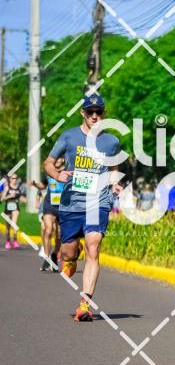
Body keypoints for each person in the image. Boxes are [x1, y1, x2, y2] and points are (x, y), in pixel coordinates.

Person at [44, 93, 122, 322]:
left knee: (93, 245)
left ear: (104, 114)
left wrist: (115, 183)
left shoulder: (111, 142)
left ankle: (85, 304)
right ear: (83, 113)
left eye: (99, 112)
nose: (94, 116)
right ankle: (70, 255)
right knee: (68, 251)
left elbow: (113, 167)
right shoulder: (68, 137)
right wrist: (57, 174)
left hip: (98, 201)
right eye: (90, 112)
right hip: (71, 203)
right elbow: (48, 163)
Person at [31, 159, 65, 270]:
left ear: (63, 159)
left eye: (59, 158)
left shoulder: (68, 171)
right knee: (48, 230)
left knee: (59, 234)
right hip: (49, 205)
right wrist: (35, 184)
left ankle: (54, 256)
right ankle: (46, 257)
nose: (57, 160)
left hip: (62, 206)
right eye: (56, 158)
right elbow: (43, 185)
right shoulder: (49, 170)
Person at [1, 173, 25, 249]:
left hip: (15, 207)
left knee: (14, 224)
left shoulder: (18, 187)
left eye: (16, 178)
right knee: (8, 226)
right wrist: (10, 196)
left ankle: (15, 241)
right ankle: (8, 241)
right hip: (8, 207)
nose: (14, 180)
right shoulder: (7, 187)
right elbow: (2, 199)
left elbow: (20, 197)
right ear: (10, 179)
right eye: (13, 178)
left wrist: (23, 199)